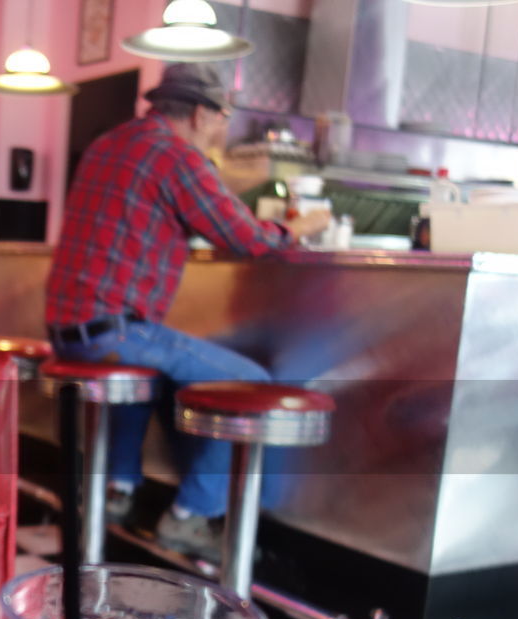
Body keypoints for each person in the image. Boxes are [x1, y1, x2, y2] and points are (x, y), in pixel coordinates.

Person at [45, 63, 332, 560]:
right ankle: (190, 517)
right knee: (252, 382)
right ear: (200, 113)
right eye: (223, 117)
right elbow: (246, 239)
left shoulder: (107, 143)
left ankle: (118, 491)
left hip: (68, 331)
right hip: (113, 333)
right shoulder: (176, 157)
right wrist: (298, 228)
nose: (222, 129)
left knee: (149, 371)